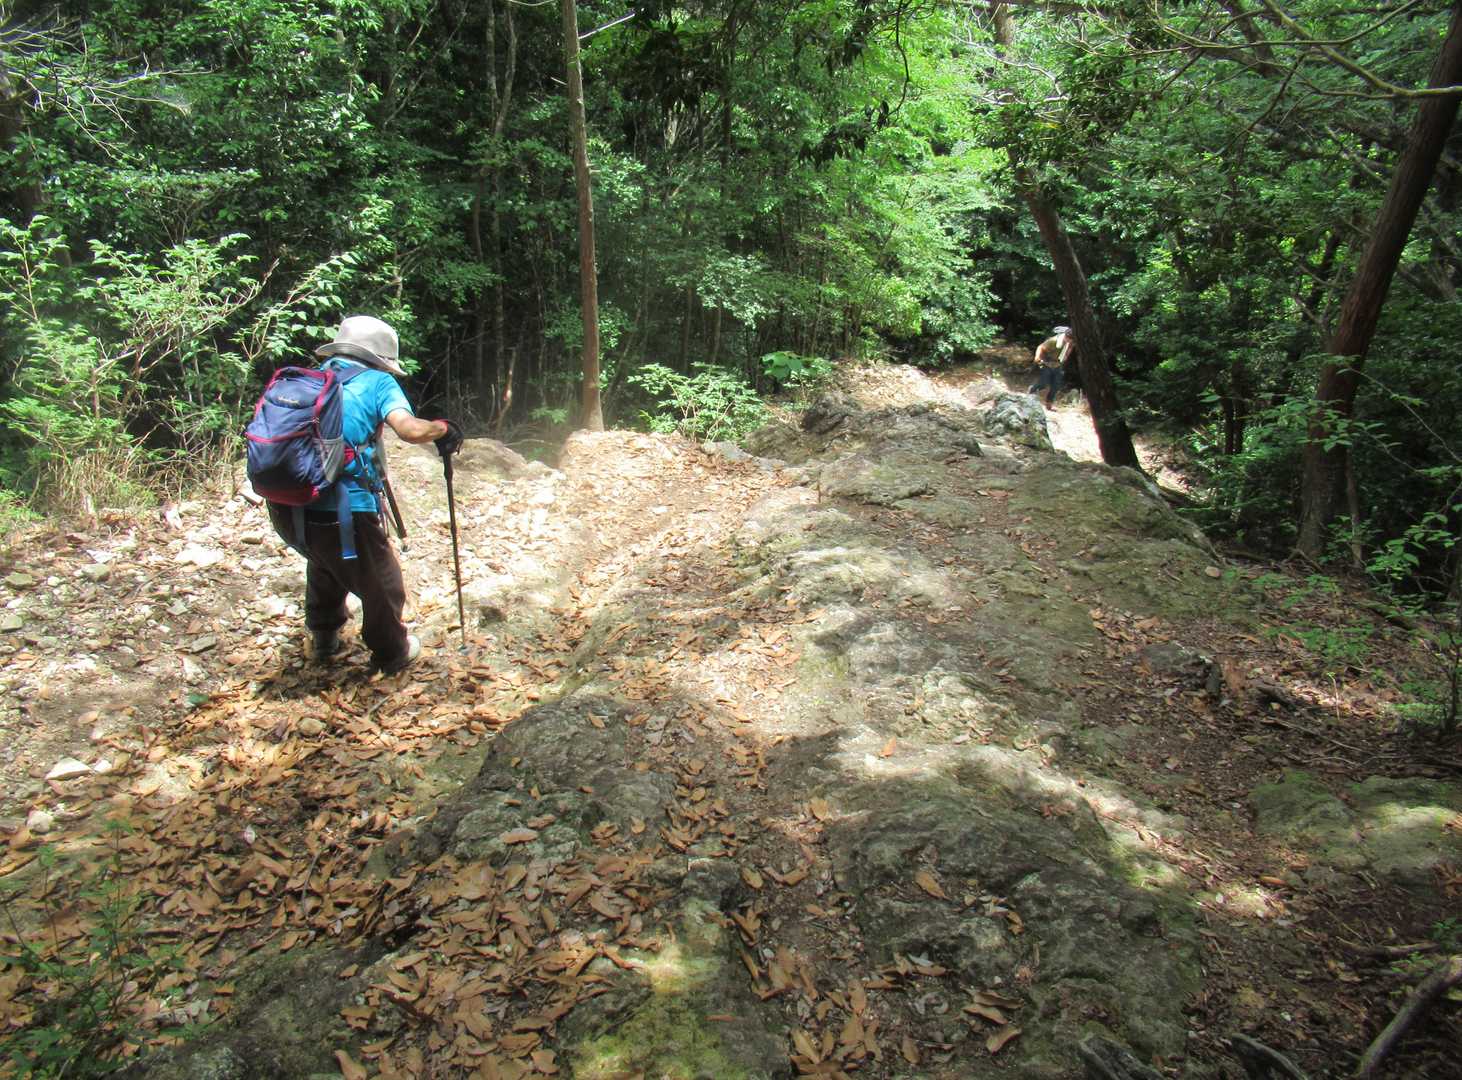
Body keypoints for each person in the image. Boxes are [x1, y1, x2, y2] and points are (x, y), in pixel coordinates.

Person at [266, 316, 463, 674]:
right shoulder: (378, 382)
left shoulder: (312, 379)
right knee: (382, 581)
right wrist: (442, 429)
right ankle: (392, 651)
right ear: (380, 359)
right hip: (344, 509)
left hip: (287, 505)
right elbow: (409, 430)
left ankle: (324, 637)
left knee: (325, 560)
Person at [1028, 325, 1074, 408]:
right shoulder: (1053, 341)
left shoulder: (1070, 343)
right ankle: (1032, 390)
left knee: (1056, 385)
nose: (1070, 341)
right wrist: (1037, 358)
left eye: (1071, 340)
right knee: (1043, 383)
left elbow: (1069, 350)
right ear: (1066, 336)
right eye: (1069, 339)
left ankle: (1049, 403)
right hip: (1046, 363)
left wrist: (1065, 357)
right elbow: (1041, 347)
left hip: (1057, 364)